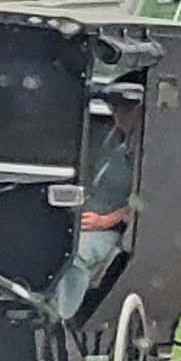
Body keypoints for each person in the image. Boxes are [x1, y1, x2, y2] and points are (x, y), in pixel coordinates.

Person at [54, 83, 143, 322]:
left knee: (75, 255)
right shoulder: (113, 140)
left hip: (112, 230)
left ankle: (60, 315)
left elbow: (141, 200)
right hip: (86, 215)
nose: (117, 113)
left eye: (124, 108)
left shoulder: (144, 151)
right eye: (114, 107)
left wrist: (105, 221)